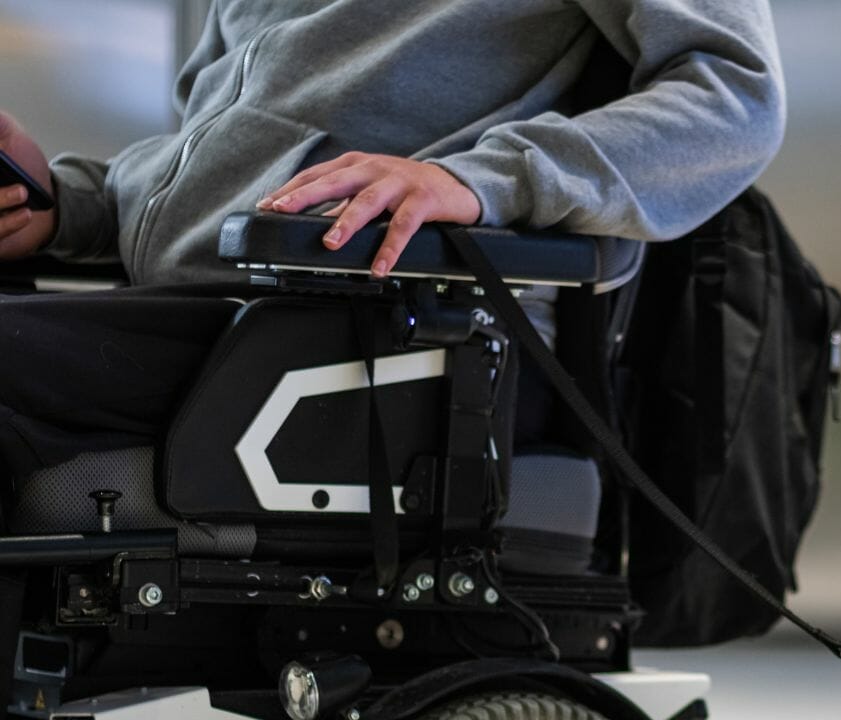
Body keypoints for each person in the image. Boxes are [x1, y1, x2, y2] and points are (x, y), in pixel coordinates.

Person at [0, 0, 785, 478]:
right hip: (204, 308)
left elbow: (736, 96)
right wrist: (66, 206)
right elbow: (219, 161)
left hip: (370, 336)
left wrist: (482, 181)